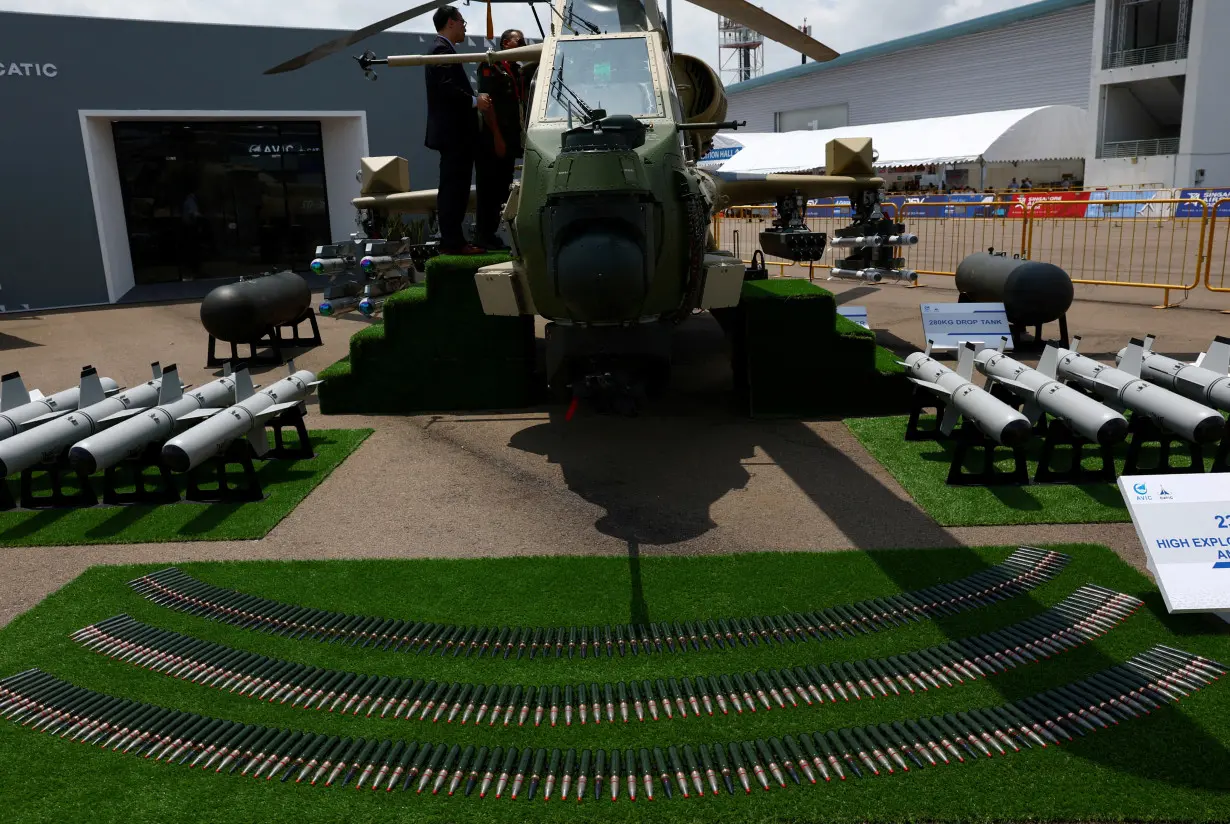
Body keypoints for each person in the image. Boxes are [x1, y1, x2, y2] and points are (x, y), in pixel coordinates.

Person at [424, 5, 492, 255]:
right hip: (454, 135)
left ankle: (454, 240)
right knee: (454, 189)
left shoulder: (443, 49)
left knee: (457, 188)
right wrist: (476, 101)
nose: (464, 26)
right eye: (462, 22)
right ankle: (452, 242)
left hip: (456, 135)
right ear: (451, 22)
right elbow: (447, 88)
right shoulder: (441, 50)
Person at [474, 28, 527, 250]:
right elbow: (487, 106)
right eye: (519, 41)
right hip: (492, 139)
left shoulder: (516, 70)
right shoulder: (490, 65)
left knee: (503, 186)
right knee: (489, 188)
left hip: (510, 137)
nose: (523, 44)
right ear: (506, 43)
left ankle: (493, 233)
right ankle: (483, 235)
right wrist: (497, 137)